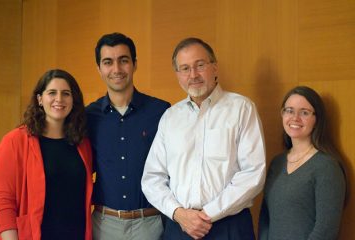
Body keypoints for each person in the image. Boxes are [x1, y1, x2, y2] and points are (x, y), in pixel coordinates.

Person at [141, 37, 266, 240]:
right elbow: (152, 178)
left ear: (215, 68)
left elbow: (253, 173)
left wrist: (206, 215)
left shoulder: (241, 108)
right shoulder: (170, 117)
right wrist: (179, 214)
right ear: (178, 75)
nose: (193, 75)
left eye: (200, 65)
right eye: (185, 68)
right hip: (179, 227)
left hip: (228, 227)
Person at [86, 32, 170, 240]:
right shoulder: (87, 116)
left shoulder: (161, 112)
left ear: (134, 64)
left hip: (151, 224)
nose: (116, 69)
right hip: (104, 224)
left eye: (123, 60)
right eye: (108, 62)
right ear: (99, 68)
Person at [0, 69, 93, 240]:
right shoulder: (15, 141)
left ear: (73, 100)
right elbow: (3, 199)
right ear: (40, 99)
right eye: (52, 93)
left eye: (66, 94)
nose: (59, 99)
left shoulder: (82, 143)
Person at [258, 86, 346, 240]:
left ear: (316, 119)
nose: (295, 118)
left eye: (304, 112)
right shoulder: (276, 163)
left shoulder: (327, 167)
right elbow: (265, 218)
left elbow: (326, 230)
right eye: (289, 110)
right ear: (282, 114)